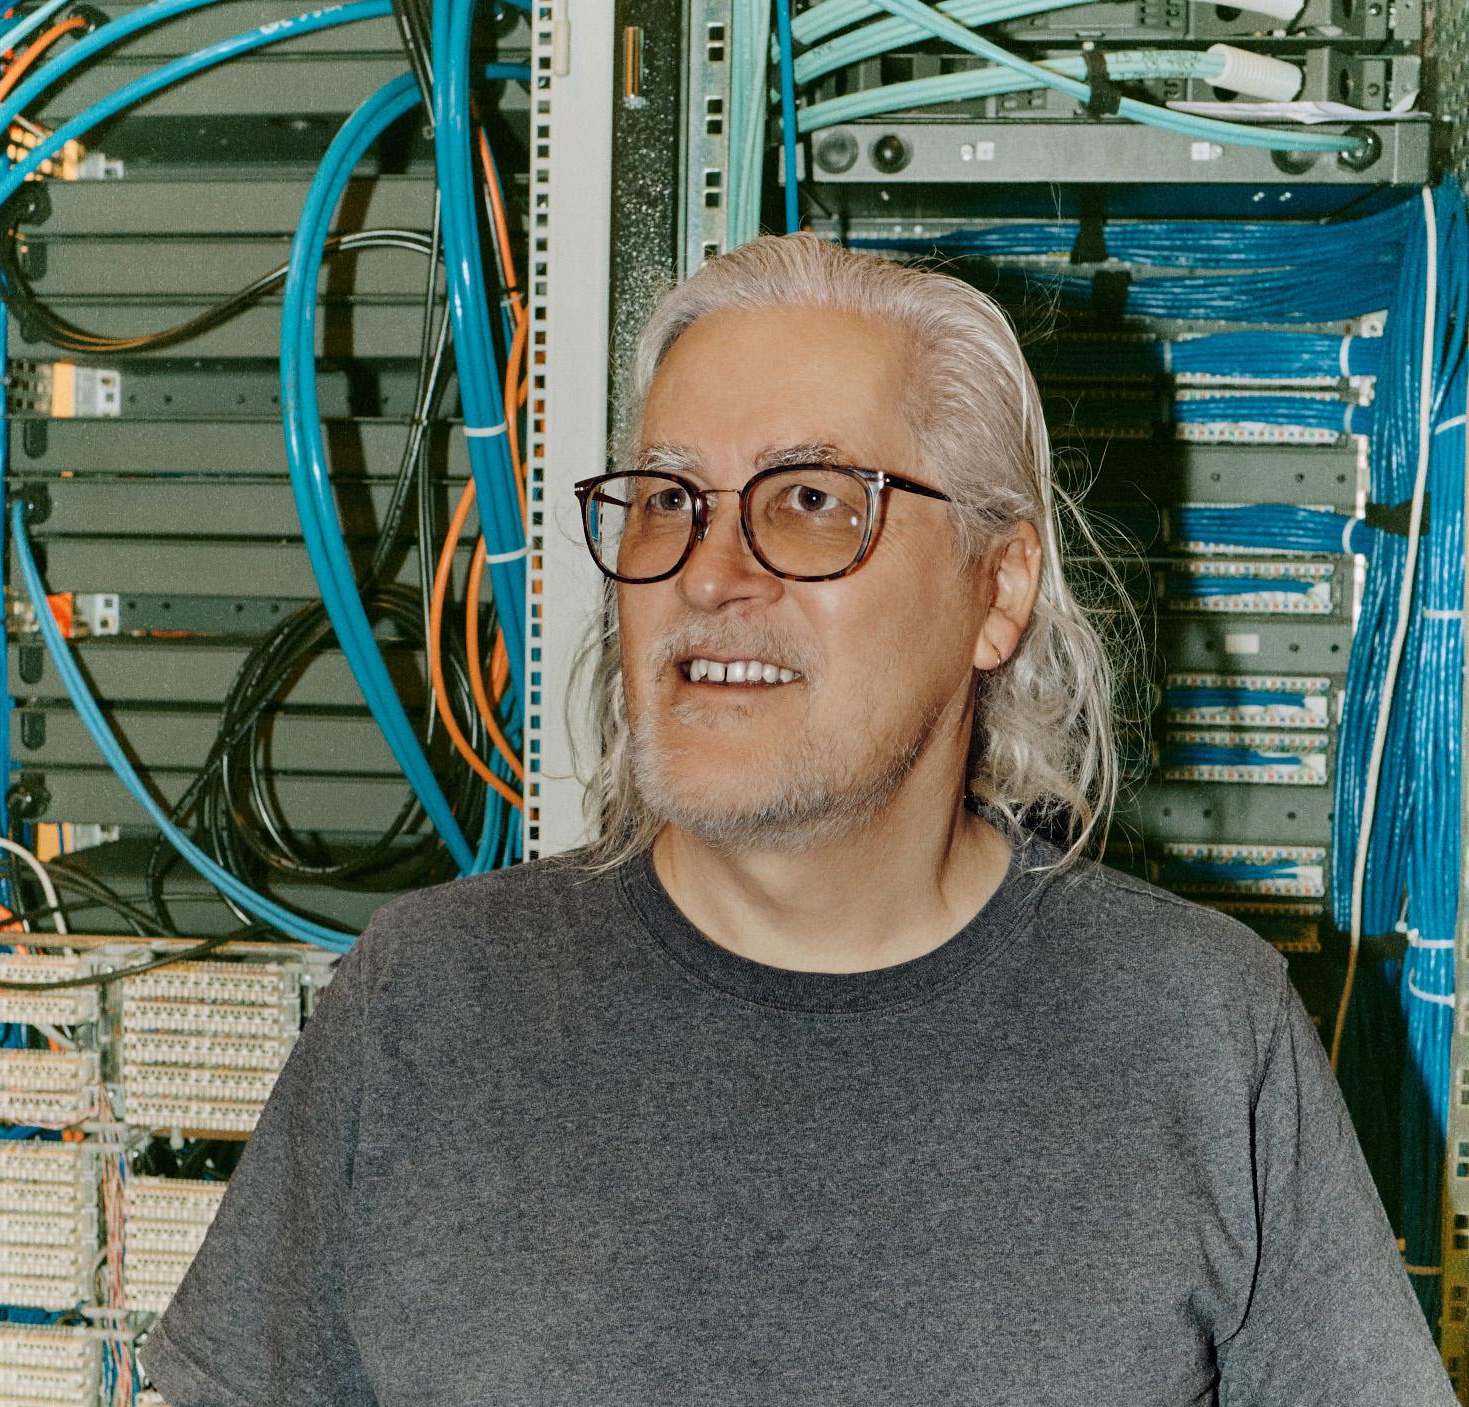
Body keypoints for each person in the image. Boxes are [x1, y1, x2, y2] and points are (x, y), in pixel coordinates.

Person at [140, 234, 1455, 1406]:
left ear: (996, 587)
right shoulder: (424, 1007)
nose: (709, 574)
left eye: (812, 502)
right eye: (667, 499)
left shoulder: (1198, 1034)